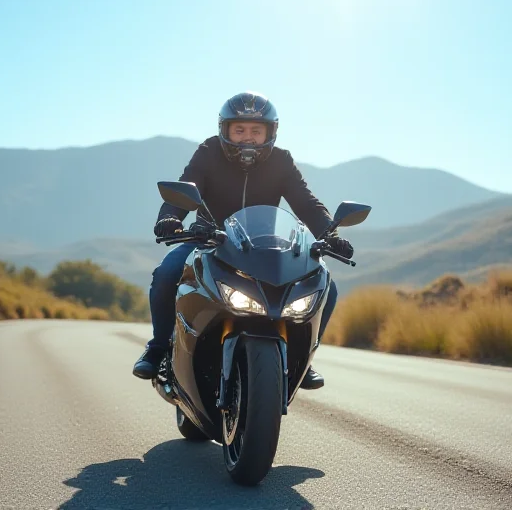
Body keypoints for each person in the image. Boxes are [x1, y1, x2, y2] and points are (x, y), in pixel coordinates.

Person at [132, 91, 354, 390]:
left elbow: (306, 202)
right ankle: (158, 346)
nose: (247, 138)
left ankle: (304, 358)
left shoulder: (281, 160)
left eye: (255, 130)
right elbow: (188, 186)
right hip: (208, 240)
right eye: (239, 130)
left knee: (327, 285)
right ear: (225, 131)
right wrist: (169, 218)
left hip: (263, 247)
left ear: (269, 132)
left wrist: (331, 233)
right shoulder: (209, 152)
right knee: (166, 274)